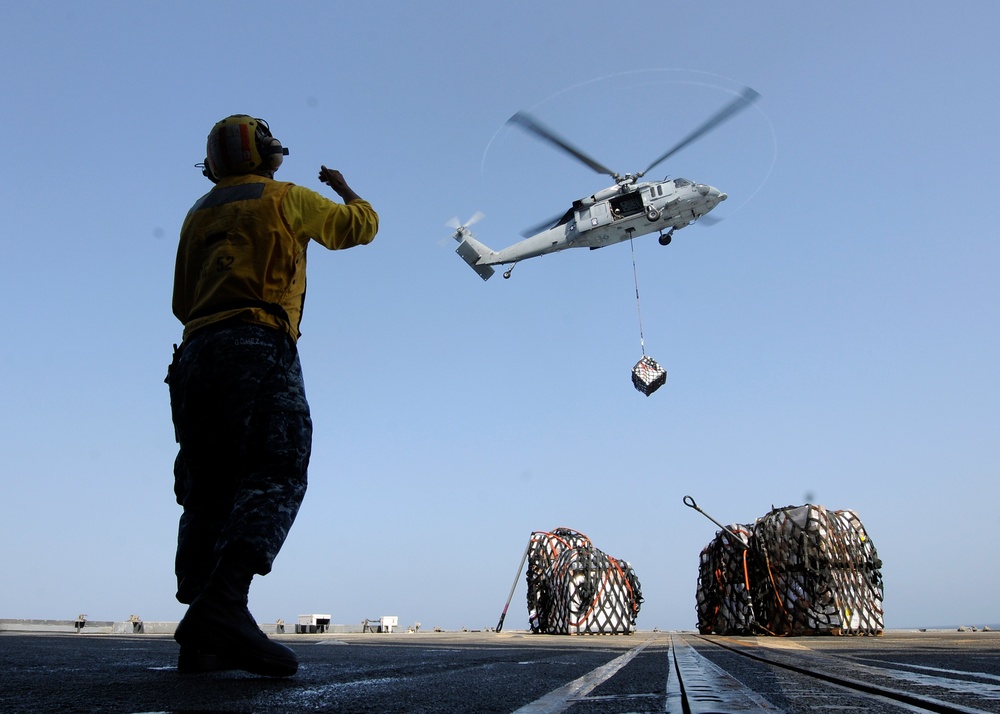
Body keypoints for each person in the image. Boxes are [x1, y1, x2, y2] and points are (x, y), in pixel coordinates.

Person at [167, 114, 378, 676]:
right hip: (257, 344)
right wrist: (344, 187)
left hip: (194, 355)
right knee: (276, 468)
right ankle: (224, 603)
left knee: (206, 485)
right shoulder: (286, 198)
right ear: (265, 152)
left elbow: (182, 300)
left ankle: (202, 640)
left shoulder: (197, 213)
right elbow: (360, 227)